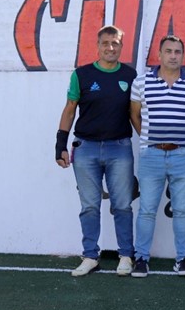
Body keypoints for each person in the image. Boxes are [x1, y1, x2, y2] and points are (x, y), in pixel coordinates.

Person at [55, 25, 136, 277]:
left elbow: (136, 114)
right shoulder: (82, 75)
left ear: (121, 46)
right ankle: (90, 256)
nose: (110, 48)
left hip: (120, 148)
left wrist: (148, 141)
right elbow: (70, 109)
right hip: (86, 149)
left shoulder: (130, 75)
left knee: (122, 205)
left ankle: (126, 256)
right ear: (97, 45)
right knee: (90, 206)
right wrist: (60, 144)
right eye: (105, 43)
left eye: (115, 43)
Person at [129, 35, 185, 278]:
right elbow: (134, 116)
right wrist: (151, 140)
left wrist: (180, 141)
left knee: (182, 210)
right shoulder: (141, 82)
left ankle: (183, 259)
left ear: (183, 55)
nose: (173, 56)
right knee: (147, 210)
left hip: (182, 155)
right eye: (168, 51)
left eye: (177, 51)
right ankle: (141, 258)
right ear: (159, 55)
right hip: (151, 154)